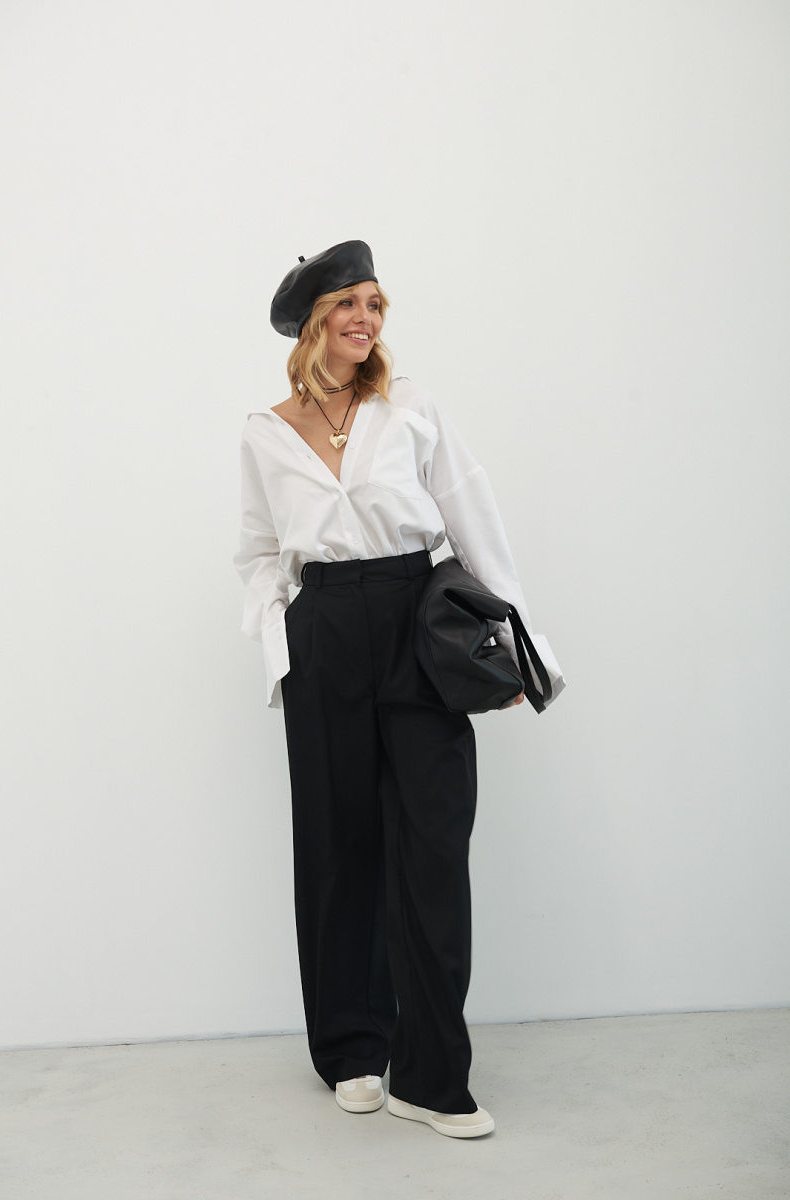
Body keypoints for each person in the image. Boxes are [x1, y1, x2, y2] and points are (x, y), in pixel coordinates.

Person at [235, 240, 564, 1139]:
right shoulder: (264, 431)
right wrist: (283, 646)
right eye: (348, 303)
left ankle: (432, 1075)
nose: (365, 318)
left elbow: (471, 519)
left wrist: (515, 651)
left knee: (432, 847)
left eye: (375, 303)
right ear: (313, 322)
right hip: (324, 635)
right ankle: (351, 1049)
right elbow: (258, 551)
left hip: (417, 623)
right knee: (337, 848)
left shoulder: (409, 405)